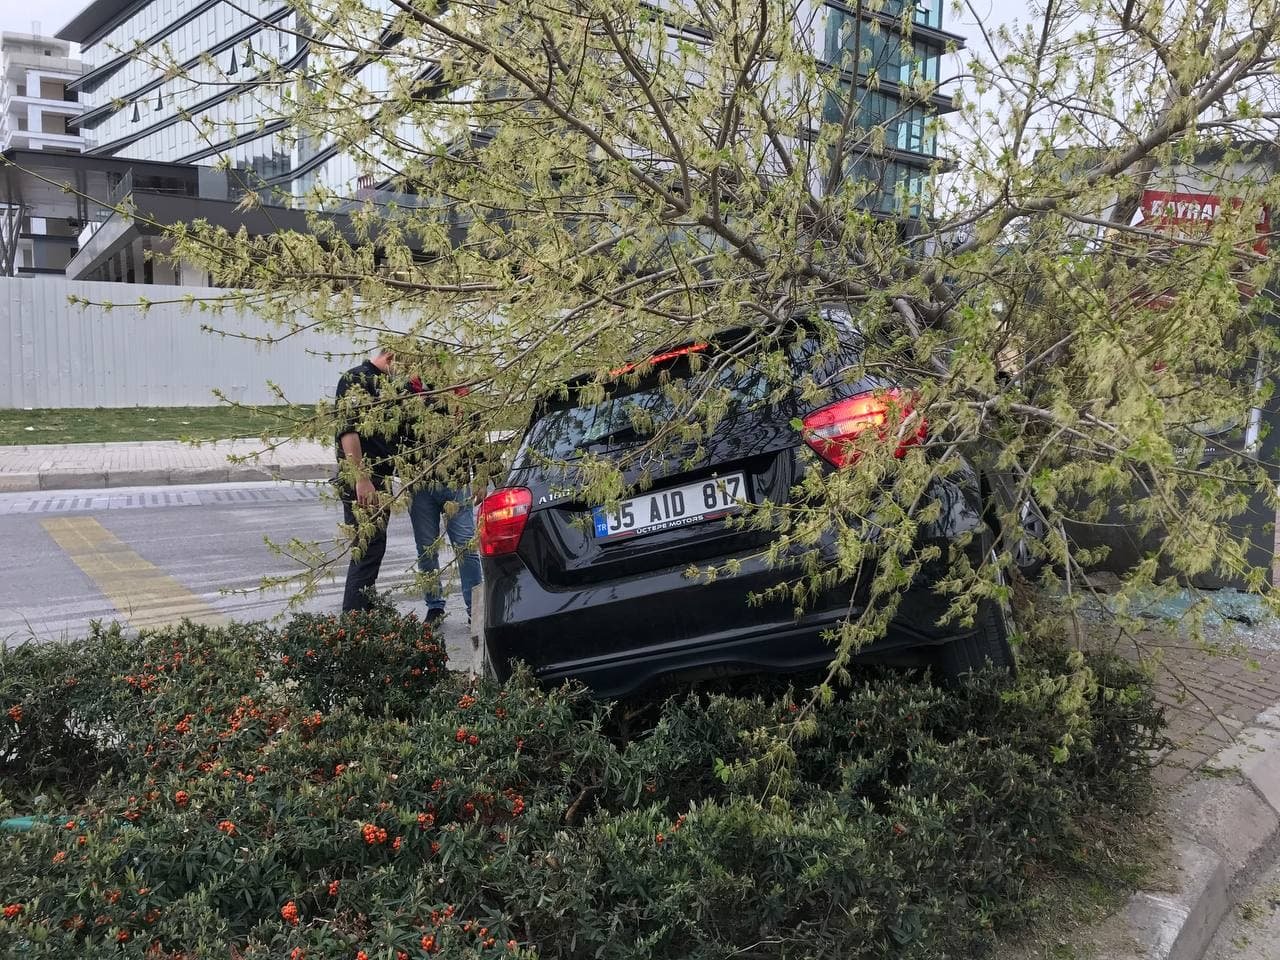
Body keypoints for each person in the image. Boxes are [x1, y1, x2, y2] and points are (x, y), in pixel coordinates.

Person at [403, 375, 483, 626]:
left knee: (466, 549)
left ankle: (475, 610)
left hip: (455, 482)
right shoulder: (408, 395)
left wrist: (481, 475)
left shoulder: (461, 395)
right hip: (420, 486)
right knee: (426, 550)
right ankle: (435, 606)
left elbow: (476, 436)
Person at [334, 347, 400, 612]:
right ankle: (355, 617)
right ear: (391, 356)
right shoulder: (356, 380)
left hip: (378, 478)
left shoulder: (387, 384)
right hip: (363, 480)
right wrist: (362, 478)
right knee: (367, 547)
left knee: (374, 547)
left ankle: (364, 611)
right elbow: (348, 432)